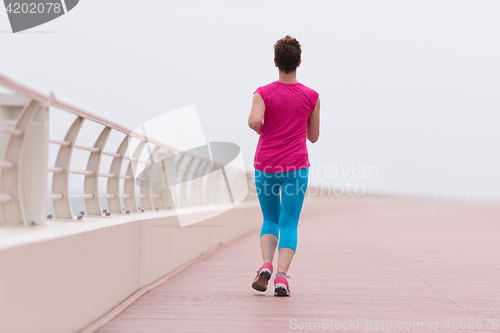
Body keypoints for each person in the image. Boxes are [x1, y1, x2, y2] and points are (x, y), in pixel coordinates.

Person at [248, 35, 320, 296]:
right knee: (289, 223)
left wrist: (265, 128)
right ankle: (281, 278)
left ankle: (265, 265)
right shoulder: (311, 96)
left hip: (266, 165)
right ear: (299, 62)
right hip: (296, 167)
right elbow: (313, 136)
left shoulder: (263, 92)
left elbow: (254, 121)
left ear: (276, 62)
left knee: (270, 218)